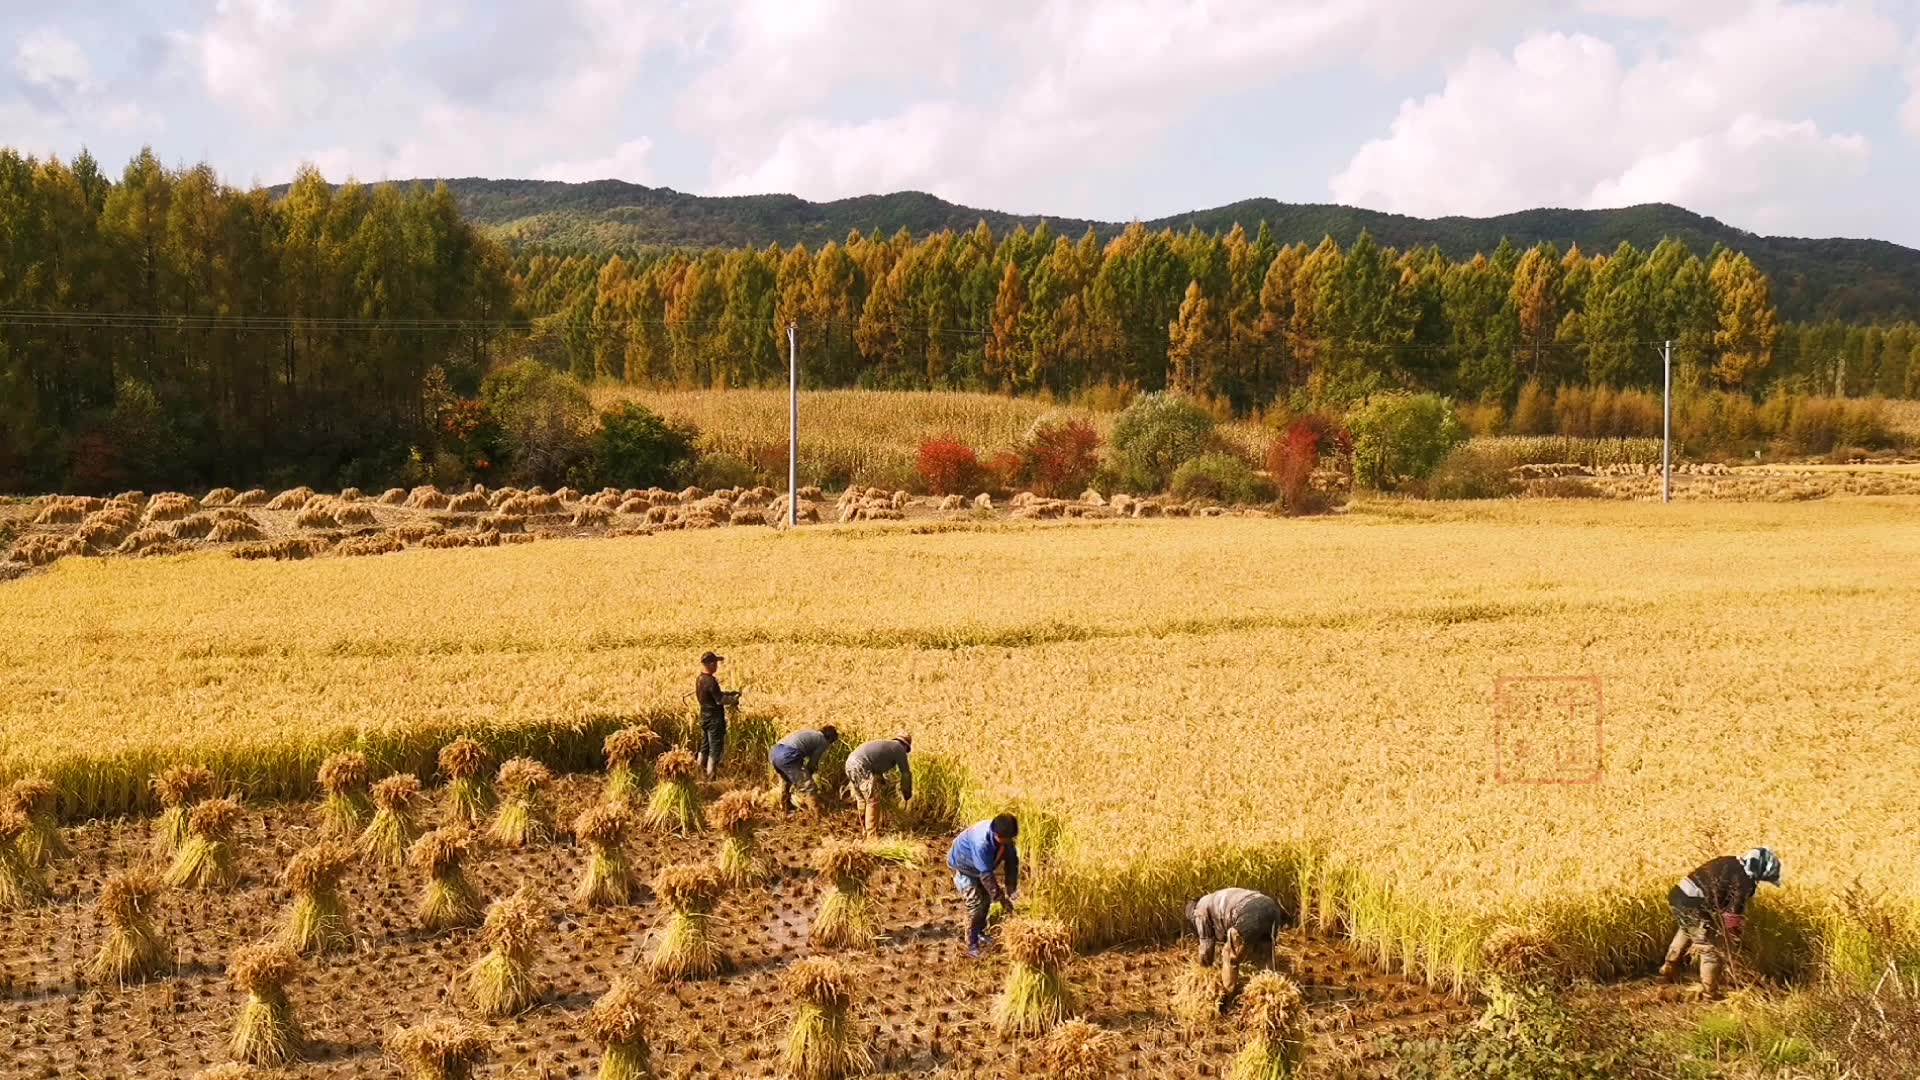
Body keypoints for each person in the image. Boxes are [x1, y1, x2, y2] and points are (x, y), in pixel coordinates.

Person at [1660, 847, 1782, 997]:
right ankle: (1710, 993)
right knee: (1710, 949)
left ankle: (1668, 967)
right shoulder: (1745, 881)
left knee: (1688, 929)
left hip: (1678, 895)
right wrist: (1732, 939)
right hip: (1693, 903)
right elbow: (1732, 914)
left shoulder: (1732, 861)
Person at [1187, 888, 1285, 995]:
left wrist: (1204, 970)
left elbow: (1206, 945)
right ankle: (1270, 989)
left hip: (1250, 911)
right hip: (1271, 907)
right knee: (1264, 952)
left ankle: (1227, 995)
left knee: (1230, 955)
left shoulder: (1199, 911)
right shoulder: (1214, 898)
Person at [948, 814, 1019, 958]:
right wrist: (1002, 899)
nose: (1008, 842)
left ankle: (979, 932)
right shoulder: (981, 843)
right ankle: (971, 944)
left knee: (986, 901)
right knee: (975, 905)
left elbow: (1012, 862)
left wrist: (1011, 888)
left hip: (982, 868)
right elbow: (986, 876)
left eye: (1010, 839)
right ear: (996, 834)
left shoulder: (1006, 839)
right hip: (964, 866)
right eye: (1005, 839)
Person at [843, 734, 913, 837]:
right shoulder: (899, 748)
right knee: (872, 801)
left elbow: (875, 767)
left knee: (862, 799)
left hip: (849, 764)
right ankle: (872, 836)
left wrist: (882, 782)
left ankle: (865, 831)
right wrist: (907, 792)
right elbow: (905, 773)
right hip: (862, 766)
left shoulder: (886, 746)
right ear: (905, 746)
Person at [769, 724, 839, 812]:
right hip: (788, 755)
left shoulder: (811, 733)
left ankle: (784, 807)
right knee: (808, 786)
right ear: (830, 739)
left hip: (774, 752)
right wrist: (809, 774)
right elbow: (813, 762)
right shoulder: (823, 741)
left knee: (786, 781)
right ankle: (816, 815)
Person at [693, 651, 737, 780]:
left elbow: (712, 695)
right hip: (714, 719)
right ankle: (711, 777)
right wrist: (733, 699)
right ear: (710, 664)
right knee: (715, 748)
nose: (717, 666)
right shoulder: (711, 680)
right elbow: (719, 700)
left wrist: (728, 693)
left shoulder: (700, 678)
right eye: (716, 663)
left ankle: (698, 773)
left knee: (704, 746)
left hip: (704, 717)